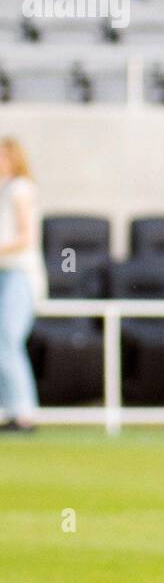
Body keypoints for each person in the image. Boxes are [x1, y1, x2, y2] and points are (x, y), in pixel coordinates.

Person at [0, 139, 47, 433]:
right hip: (4, 273)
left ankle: (24, 413)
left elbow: (25, 237)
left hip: (19, 275)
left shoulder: (20, 189)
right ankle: (11, 410)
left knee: (8, 338)